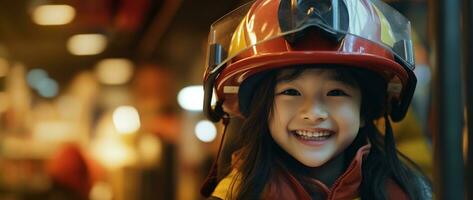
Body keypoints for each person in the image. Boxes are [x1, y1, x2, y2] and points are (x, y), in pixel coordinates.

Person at [201, 0, 432, 199]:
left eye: (336, 92)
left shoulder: (404, 194)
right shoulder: (232, 197)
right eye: (291, 92)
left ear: (364, 110)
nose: (313, 112)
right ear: (261, 108)